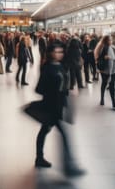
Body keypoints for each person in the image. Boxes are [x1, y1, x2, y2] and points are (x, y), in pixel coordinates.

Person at [34, 43, 85, 177]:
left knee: (44, 131)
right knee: (63, 135)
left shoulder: (61, 66)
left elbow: (64, 84)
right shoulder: (47, 68)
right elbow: (39, 89)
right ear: (50, 53)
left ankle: (39, 158)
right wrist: (54, 90)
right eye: (56, 52)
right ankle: (68, 167)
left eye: (61, 52)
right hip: (51, 106)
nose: (59, 54)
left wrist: (67, 92)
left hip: (58, 105)